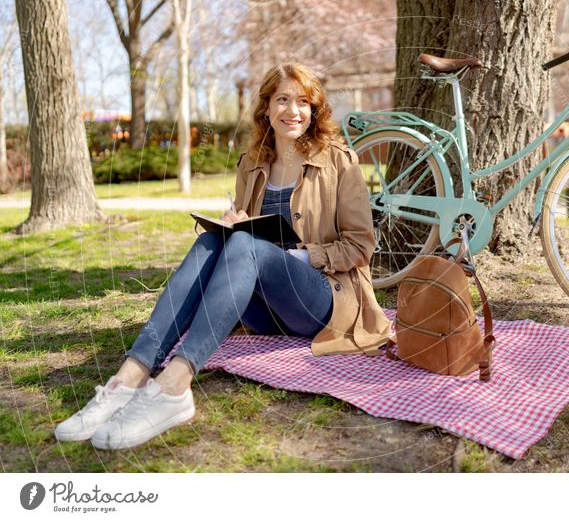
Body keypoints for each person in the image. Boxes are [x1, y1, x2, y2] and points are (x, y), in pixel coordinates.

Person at [54, 63, 391, 450]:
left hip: (323, 300)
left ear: (314, 110)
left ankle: (175, 384)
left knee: (245, 247)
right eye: (283, 99)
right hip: (262, 307)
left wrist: (302, 256)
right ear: (266, 108)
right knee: (211, 243)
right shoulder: (252, 163)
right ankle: (128, 378)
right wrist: (238, 223)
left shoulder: (339, 161)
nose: (293, 111)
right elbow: (246, 236)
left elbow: (361, 245)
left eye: (303, 101)